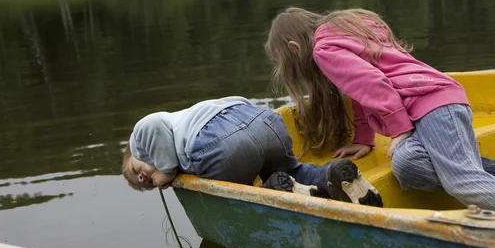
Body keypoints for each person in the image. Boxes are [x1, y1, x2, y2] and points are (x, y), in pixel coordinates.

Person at [265, 7, 495, 231]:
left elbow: (374, 85)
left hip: (433, 105)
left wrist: (399, 130)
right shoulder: (345, 29)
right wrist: (364, 139)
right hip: (433, 105)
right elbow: (358, 91)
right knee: (407, 167)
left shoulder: (322, 49)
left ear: (294, 48)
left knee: (462, 181)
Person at [121, 96, 384, 207]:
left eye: (136, 171)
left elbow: (151, 124)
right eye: (146, 184)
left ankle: (276, 192)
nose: (146, 177)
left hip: (219, 141)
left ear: (132, 153)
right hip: (262, 120)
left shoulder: (140, 138)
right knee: (293, 170)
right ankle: (330, 174)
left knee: (242, 199)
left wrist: (165, 172)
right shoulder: (184, 118)